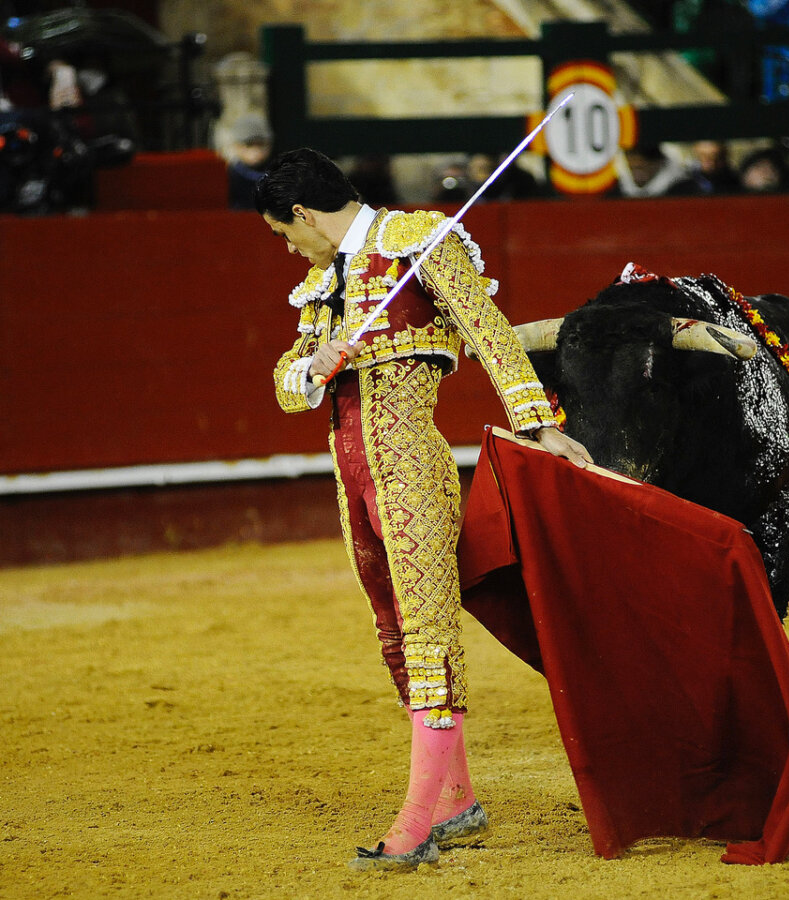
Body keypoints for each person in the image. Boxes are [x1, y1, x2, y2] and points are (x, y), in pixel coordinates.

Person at [255, 148, 591, 871]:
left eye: (285, 233)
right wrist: (315, 363)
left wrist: (540, 425)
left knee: (428, 636)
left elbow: (489, 332)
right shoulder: (324, 283)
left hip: (410, 471)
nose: (289, 248)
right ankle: (457, 800)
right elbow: (285, 386)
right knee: (393, 635)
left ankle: (414, 825)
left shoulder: (419, 243)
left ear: (304, 214)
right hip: (353, 482)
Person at [226, 113, 273, 209]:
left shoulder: (276, 172)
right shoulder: (230, 174)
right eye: (249, 144)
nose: (256, 151)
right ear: (237, 146)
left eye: (261, 144)